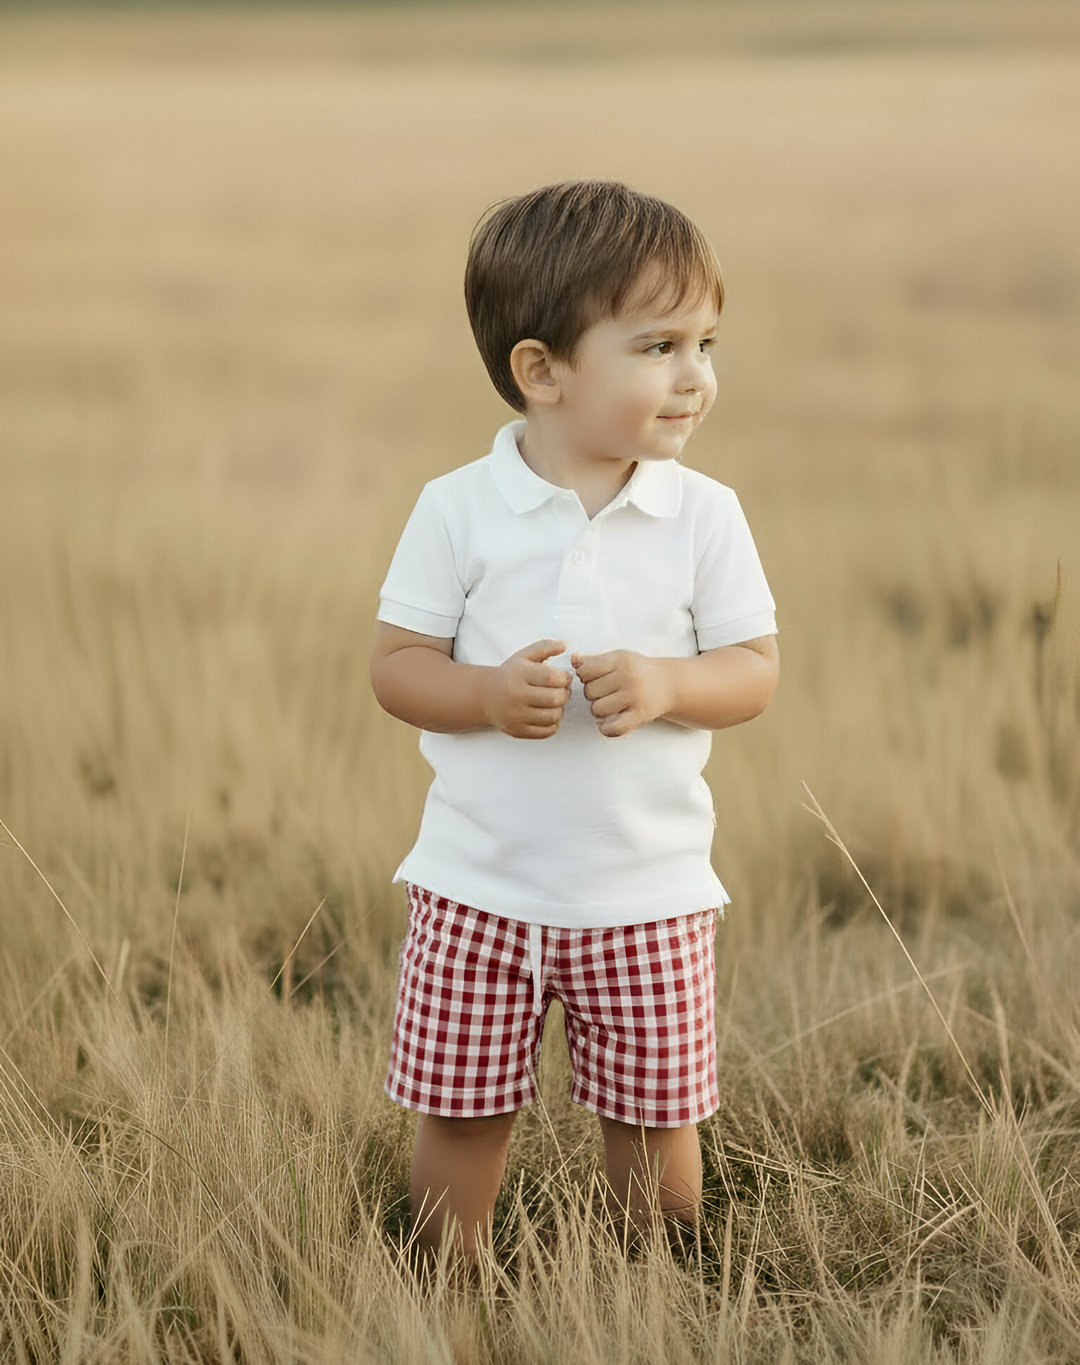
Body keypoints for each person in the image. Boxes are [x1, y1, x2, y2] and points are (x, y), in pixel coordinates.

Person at [369, 179, 778, 1262]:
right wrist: (488, 697)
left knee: (654, 1126)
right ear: (541, 372)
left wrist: (669, 683)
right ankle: (442, 1290)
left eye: (706, 343)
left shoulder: (704, 514)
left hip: (646, 891)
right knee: (461, 1116)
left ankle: (655, 1293)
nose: (695, 378)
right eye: (657, 348)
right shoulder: (458, 508)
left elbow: (754, 671)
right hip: (477, 887)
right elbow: (398, 668)